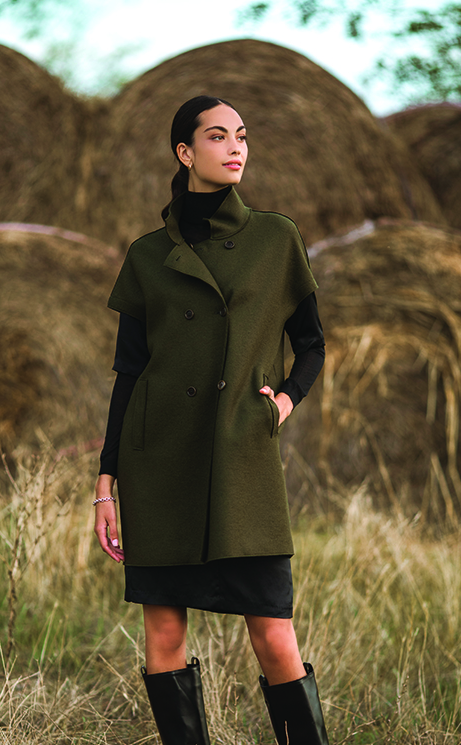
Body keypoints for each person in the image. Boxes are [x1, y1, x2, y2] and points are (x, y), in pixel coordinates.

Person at [94, 95, 328, 745]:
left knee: (274, 633)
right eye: (219, 136)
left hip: (241, 465)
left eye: (243, 137)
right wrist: (105, 482)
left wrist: (281, 402)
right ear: (184, 153)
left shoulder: (275, 238)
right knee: (165, 633)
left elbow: (312, 343)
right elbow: (130, 373)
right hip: (158, 465)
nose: (236, 148)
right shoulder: (146, 255)